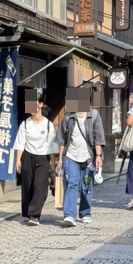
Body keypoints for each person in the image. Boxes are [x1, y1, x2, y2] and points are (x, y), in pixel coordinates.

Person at [53, 94, 105, 227]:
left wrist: (98, 156)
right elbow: (62, 140)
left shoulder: (94, 116)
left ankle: (85, 213)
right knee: (72, 183)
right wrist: (60, 160)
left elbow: (98, 138)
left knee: (87, 185)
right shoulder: (68, 117)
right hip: (71, 157)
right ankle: (69, 215)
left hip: (89, 158)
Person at [13, 91, 56, 226]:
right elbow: (20, 143)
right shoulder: (25, 124)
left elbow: (52, 146)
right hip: (27, 156)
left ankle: (34, 216)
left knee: (40, 187)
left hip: (43, 158)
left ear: (40, 105)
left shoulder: (48, 125)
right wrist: (17, 161)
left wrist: (53, 165)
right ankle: (28, 212)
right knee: (27, 186)